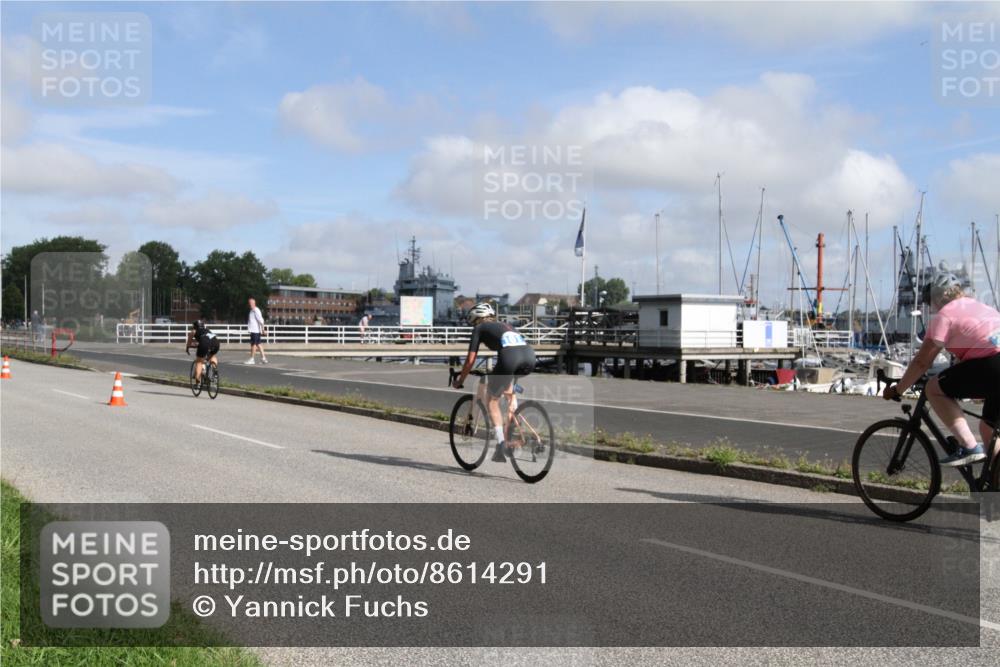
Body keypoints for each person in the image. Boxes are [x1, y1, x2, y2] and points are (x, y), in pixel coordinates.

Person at [884, 272, 1000, 466]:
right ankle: (995, 487)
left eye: (930, 303)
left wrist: (899, 389)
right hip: (992, 367)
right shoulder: (981, 306)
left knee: (933, 389)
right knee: (988, 429)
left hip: (992, 365)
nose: (932, 307)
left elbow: (922, 362)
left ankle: (969, 447)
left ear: (937, 299)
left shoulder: (944, 316)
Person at [452, 302, 536, 462]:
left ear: (477, 319)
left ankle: (502, 443)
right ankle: (517, 432)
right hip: (529, 357)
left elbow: (470, 361)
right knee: (509, 392)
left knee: (492, 400)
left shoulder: (479, 329)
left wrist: (460, 379)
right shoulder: (506, 326)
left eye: (473, 322)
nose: (473, 325)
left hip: (511, 358)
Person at [186, 319, 220, 384]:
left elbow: (189, 343)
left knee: (199, 362)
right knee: (212, 355)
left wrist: (187, 348)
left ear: (194, 326)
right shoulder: (207, 329)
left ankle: (197, 379)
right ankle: (214, 368)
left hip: (204, 344)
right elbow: (206, 339)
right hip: (216, 343)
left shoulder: (194, 331)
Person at [246, 297, 268, 365]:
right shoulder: (252, 310)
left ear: (253, 303)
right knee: (259, 344)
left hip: (255, 331)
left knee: (253, 345)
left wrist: (263, 330)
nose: (249, 304)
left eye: (250, 303)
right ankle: (263, 358)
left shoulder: (256, 310)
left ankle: (252, 359)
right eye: (249, 303)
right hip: (254, 330)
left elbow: (261, 320)